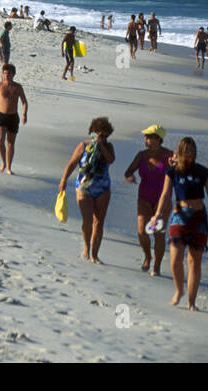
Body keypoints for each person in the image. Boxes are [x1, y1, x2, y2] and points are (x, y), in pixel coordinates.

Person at [154, 136, 208, 309]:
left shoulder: (204, 172)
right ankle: (179, 290)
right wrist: (157, 214)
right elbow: (165, 195)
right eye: (186, 151)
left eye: (192, 151)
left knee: (194, 261)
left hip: (199, 217)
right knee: (175, 258)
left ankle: (191, 302)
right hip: (179, 215)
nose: (190, 154)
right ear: (180, 152)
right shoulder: (172, 172)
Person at [59, 117, 116, 264]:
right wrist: (64, 180)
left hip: (103, 187)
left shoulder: (109, 147)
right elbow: (71, 164)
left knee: (99, 222)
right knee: (87, 220)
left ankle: (95, 255)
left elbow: (110, 160)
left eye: (104, 135)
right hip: (84, 187)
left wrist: (101, 146)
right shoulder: (83, 145)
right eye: (98, 134)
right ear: (92, 132)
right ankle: (86, 247)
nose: (100, 137)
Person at [123, 125, 173, 275]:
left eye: (149, 136)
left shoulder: (170, 155)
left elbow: (179, 170)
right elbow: (128, 170)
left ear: (158, 139)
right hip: (144, 197)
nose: (145, 139)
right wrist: (130, 176)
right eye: (145, 136)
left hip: (163, 200)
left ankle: (156, 266)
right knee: (141, 231)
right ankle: (147, 256)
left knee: (159, 233)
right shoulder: (141, 155)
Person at [0, 63, 28, 174]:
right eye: (5, 73)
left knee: (10, 143)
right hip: (1, 116)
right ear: (2, 74)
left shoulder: (17, 87)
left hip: (13, 117)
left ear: (14, 75)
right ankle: (3, 162)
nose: (7, 76)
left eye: (9, 74)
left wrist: (24, 114)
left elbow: (24, 102)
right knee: (0, 141)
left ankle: (8, 167)